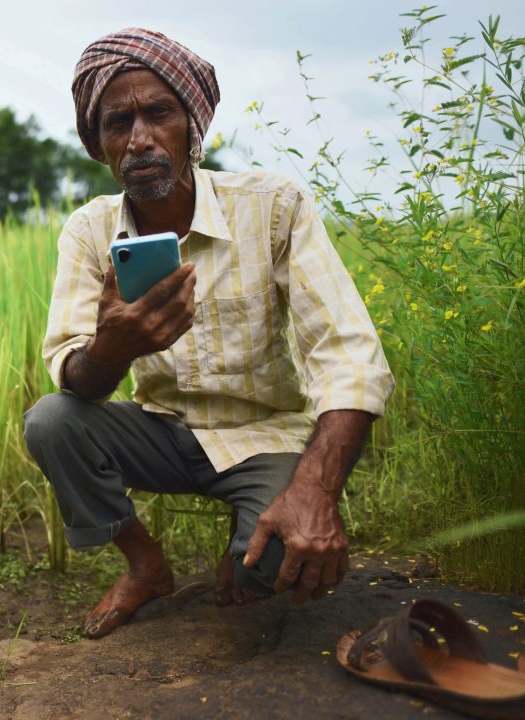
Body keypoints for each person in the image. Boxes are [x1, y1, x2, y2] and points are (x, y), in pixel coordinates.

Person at [22, 28, 394, 639]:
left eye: (158, 114)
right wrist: (112, 350)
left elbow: (348, 353)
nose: (139, 138)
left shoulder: (273, 206)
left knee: (276, 564)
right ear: (101, 145)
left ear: (192, 126)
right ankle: (146, 567)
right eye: (119, 123)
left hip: (263, 435)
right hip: (161, 430)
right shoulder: (90, 231)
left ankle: (245, 540)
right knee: (51, 421)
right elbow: (73, 372)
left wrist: (315, 491)